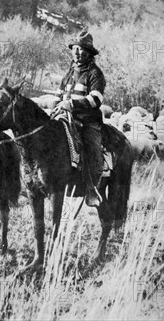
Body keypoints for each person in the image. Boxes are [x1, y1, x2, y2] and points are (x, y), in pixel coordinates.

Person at [53, 31, 105, 207]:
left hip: (88, 120)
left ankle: (91, 189)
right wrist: (54, 108)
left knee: (92, 148)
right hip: (65, 117)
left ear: (89, 53)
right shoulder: (68, 73)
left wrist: (72, 105)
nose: (77, 52)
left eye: (81, 49)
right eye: (75, 48)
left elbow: (96, 99)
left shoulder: (95, 73)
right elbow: (59, 95)